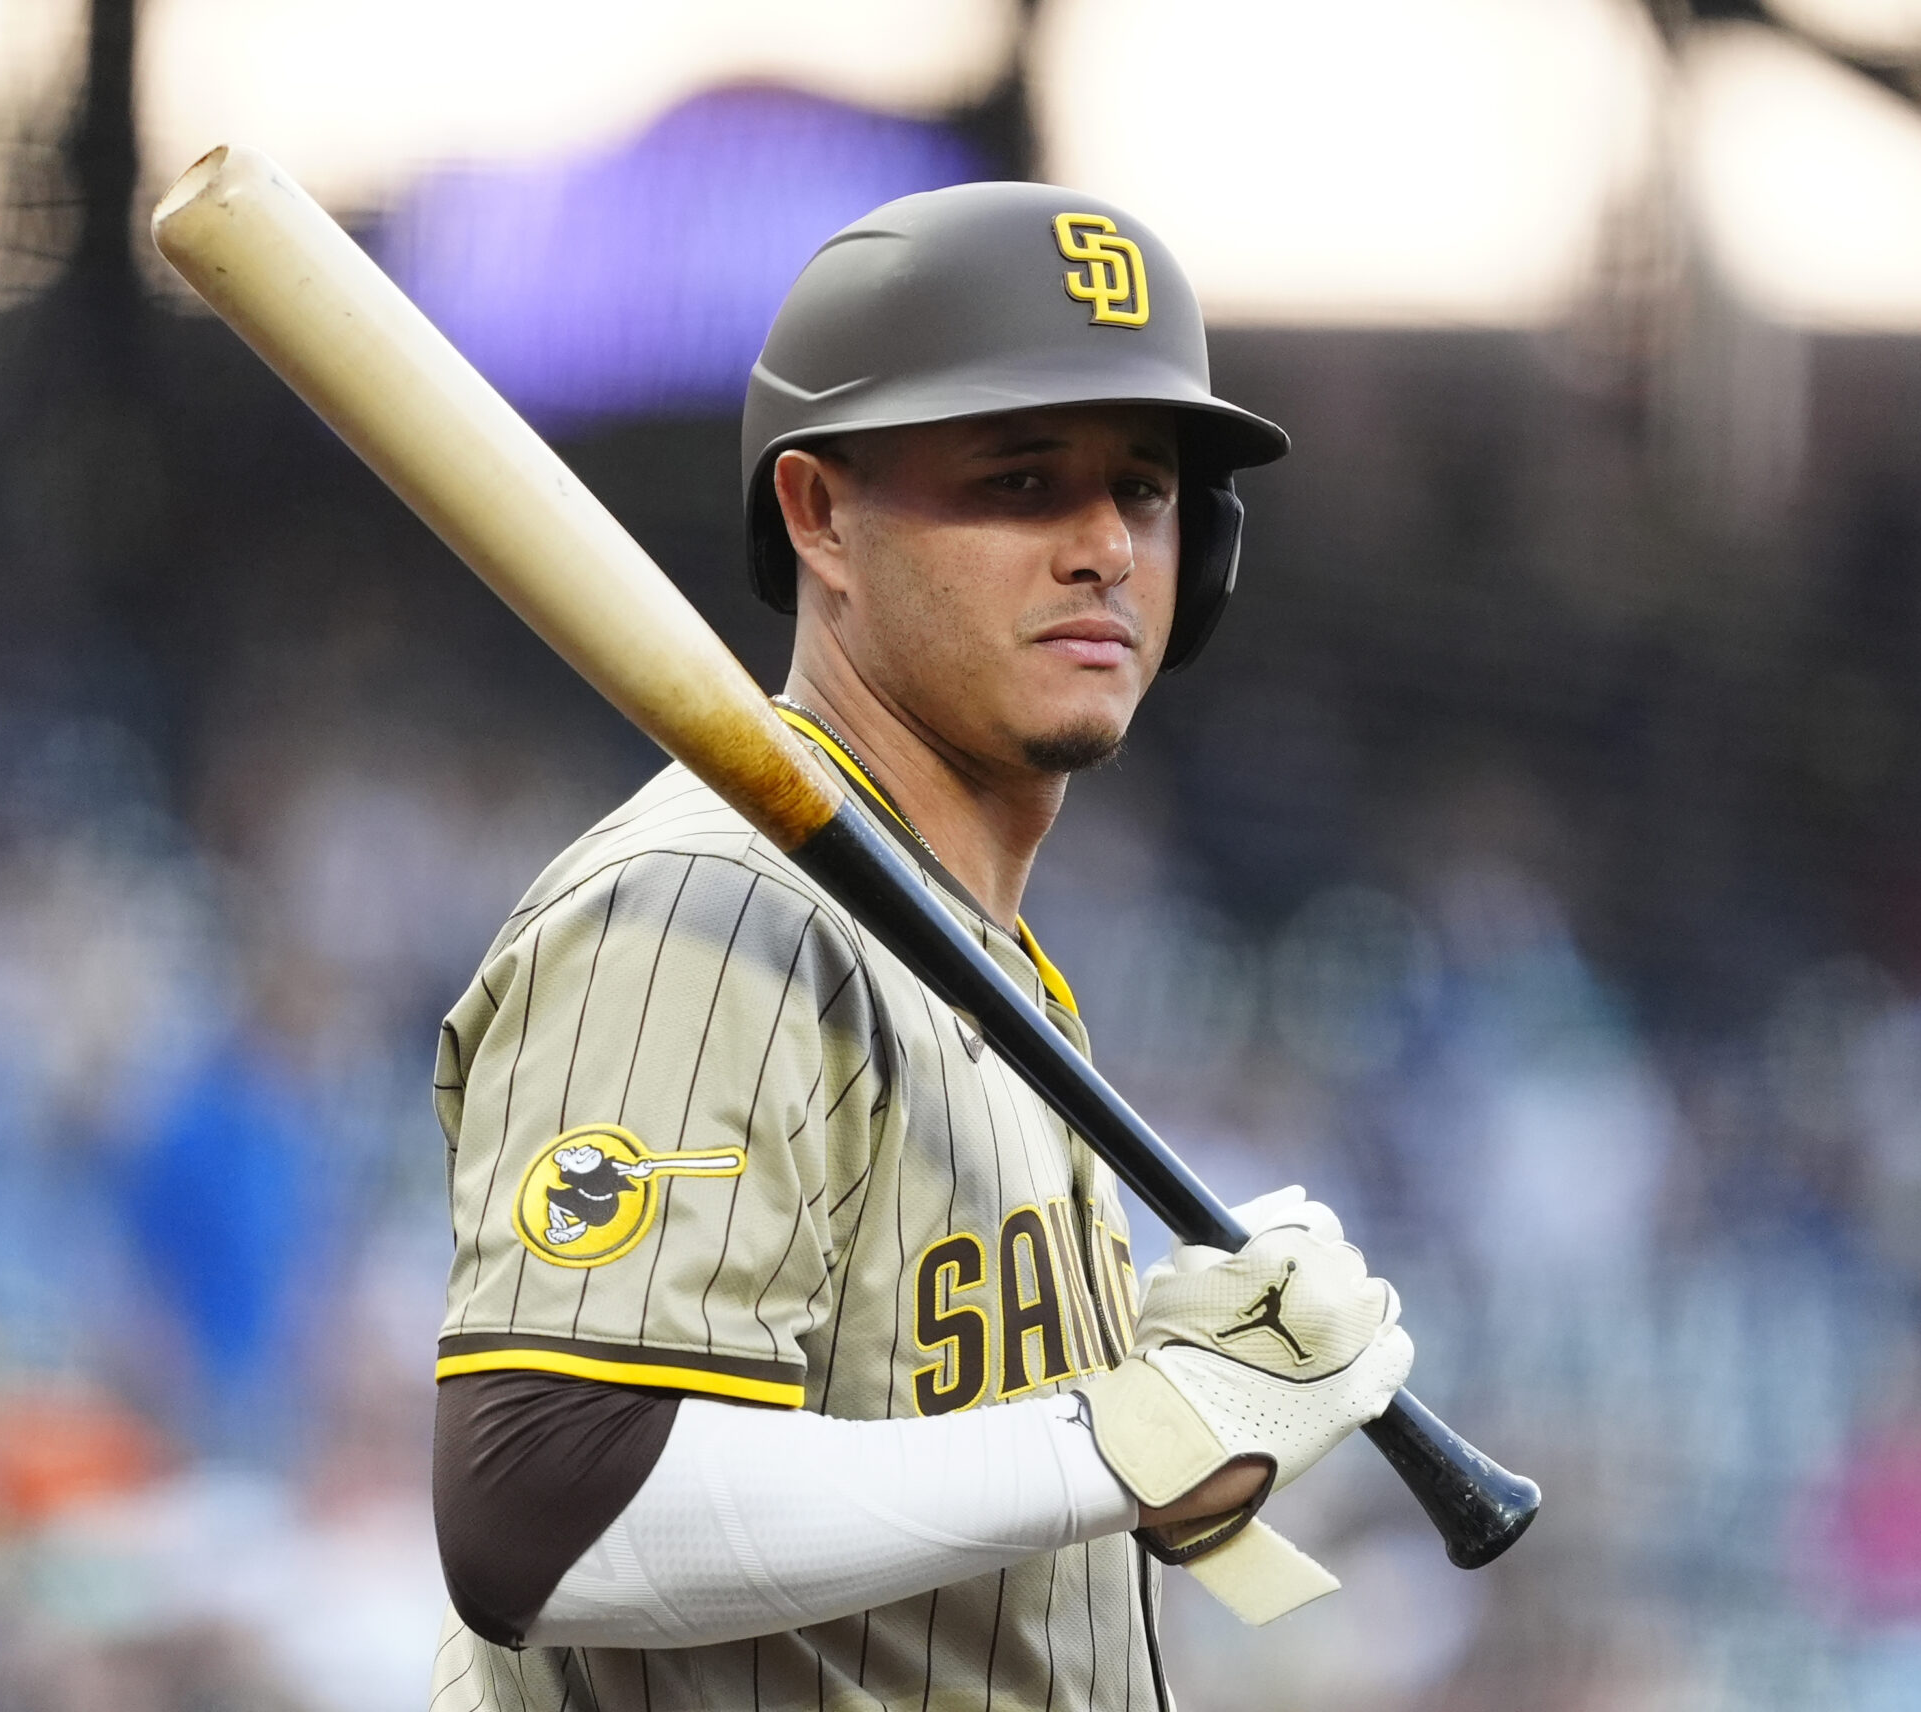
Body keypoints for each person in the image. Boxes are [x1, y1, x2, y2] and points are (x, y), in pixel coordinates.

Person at [427, 182, 1413, 1711]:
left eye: (1142, 491)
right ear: (821, 514)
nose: (1102, 548)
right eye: (1022, 481)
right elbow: (545, 1512)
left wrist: (1170, 1443)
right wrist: (1122, 1432)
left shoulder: (974, 956)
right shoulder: (713, 908)